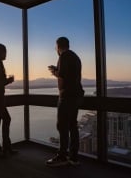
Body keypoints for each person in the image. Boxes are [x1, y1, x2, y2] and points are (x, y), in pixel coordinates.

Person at [46, 37, 84, 167]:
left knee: (62, 126)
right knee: (72, 125)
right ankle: (73, 157)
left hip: (66, 96)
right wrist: (57, 69)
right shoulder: (75, 57)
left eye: (55, 47)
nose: (55, 49)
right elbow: (70, 74)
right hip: (77, 95)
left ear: (58, 46)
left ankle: (62, 156)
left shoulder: (64, 56)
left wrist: (54, 71)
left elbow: (62, 74)